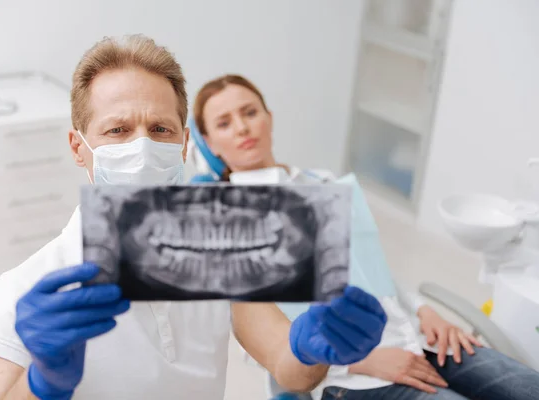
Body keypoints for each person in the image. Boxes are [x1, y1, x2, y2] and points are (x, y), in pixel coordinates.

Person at [0, 35, 388, 400]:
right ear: (78, 147)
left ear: (184, 145)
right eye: (117, 130)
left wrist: (310, 348)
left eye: (161, 130)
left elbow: (286, 363)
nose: (142, 147)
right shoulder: (23, 290)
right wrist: (41, 383)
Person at [189, 73, 539, 400]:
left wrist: (424, 311)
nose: (241, 128)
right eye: (224, 123)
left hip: (420, 337)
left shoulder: (323, 182)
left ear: (269, 117)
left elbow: (373, 272)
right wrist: (361, 361)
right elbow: (260, 344)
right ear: (210, 143)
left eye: (249, 112)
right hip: (356, 376)